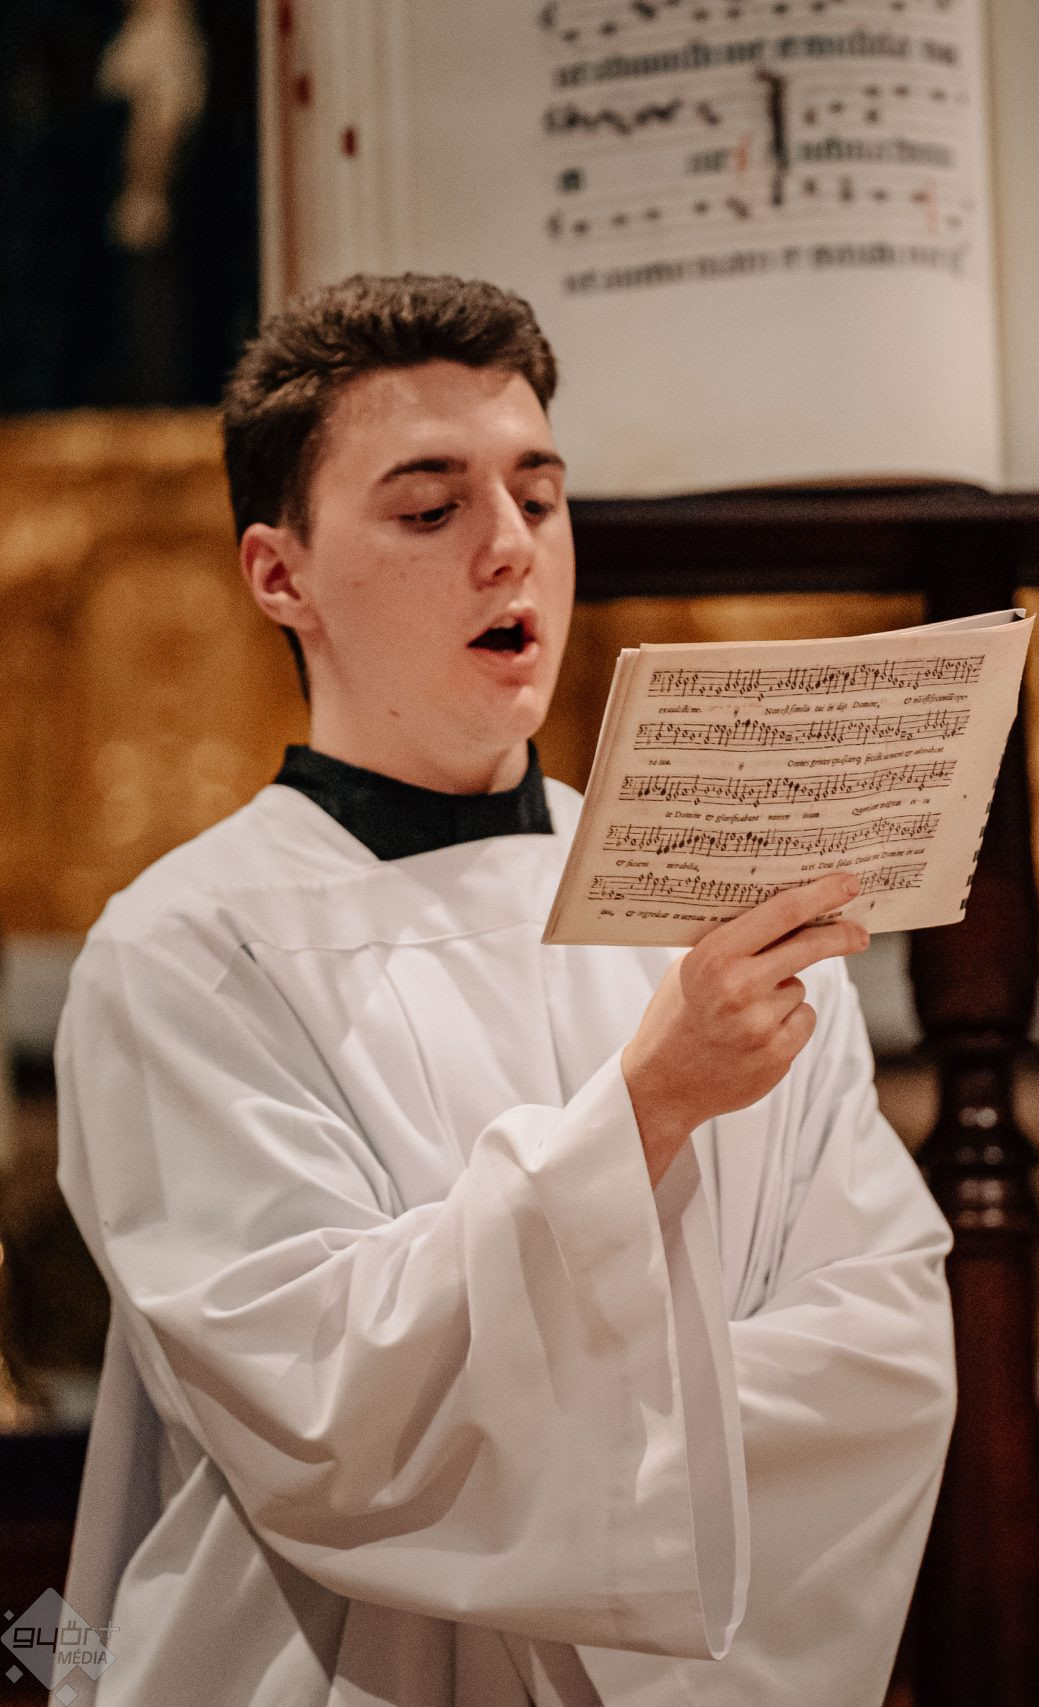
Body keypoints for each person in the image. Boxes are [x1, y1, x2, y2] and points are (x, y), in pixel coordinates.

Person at [54, 273, 956, 1706]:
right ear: (280, 575)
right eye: (431, 510)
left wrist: (588, 1447)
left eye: (538, 497)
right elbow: (322, 1408)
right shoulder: (186, 953)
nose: (508, 548)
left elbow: (879, 1347)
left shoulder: (711, 905)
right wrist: (643, 1115)